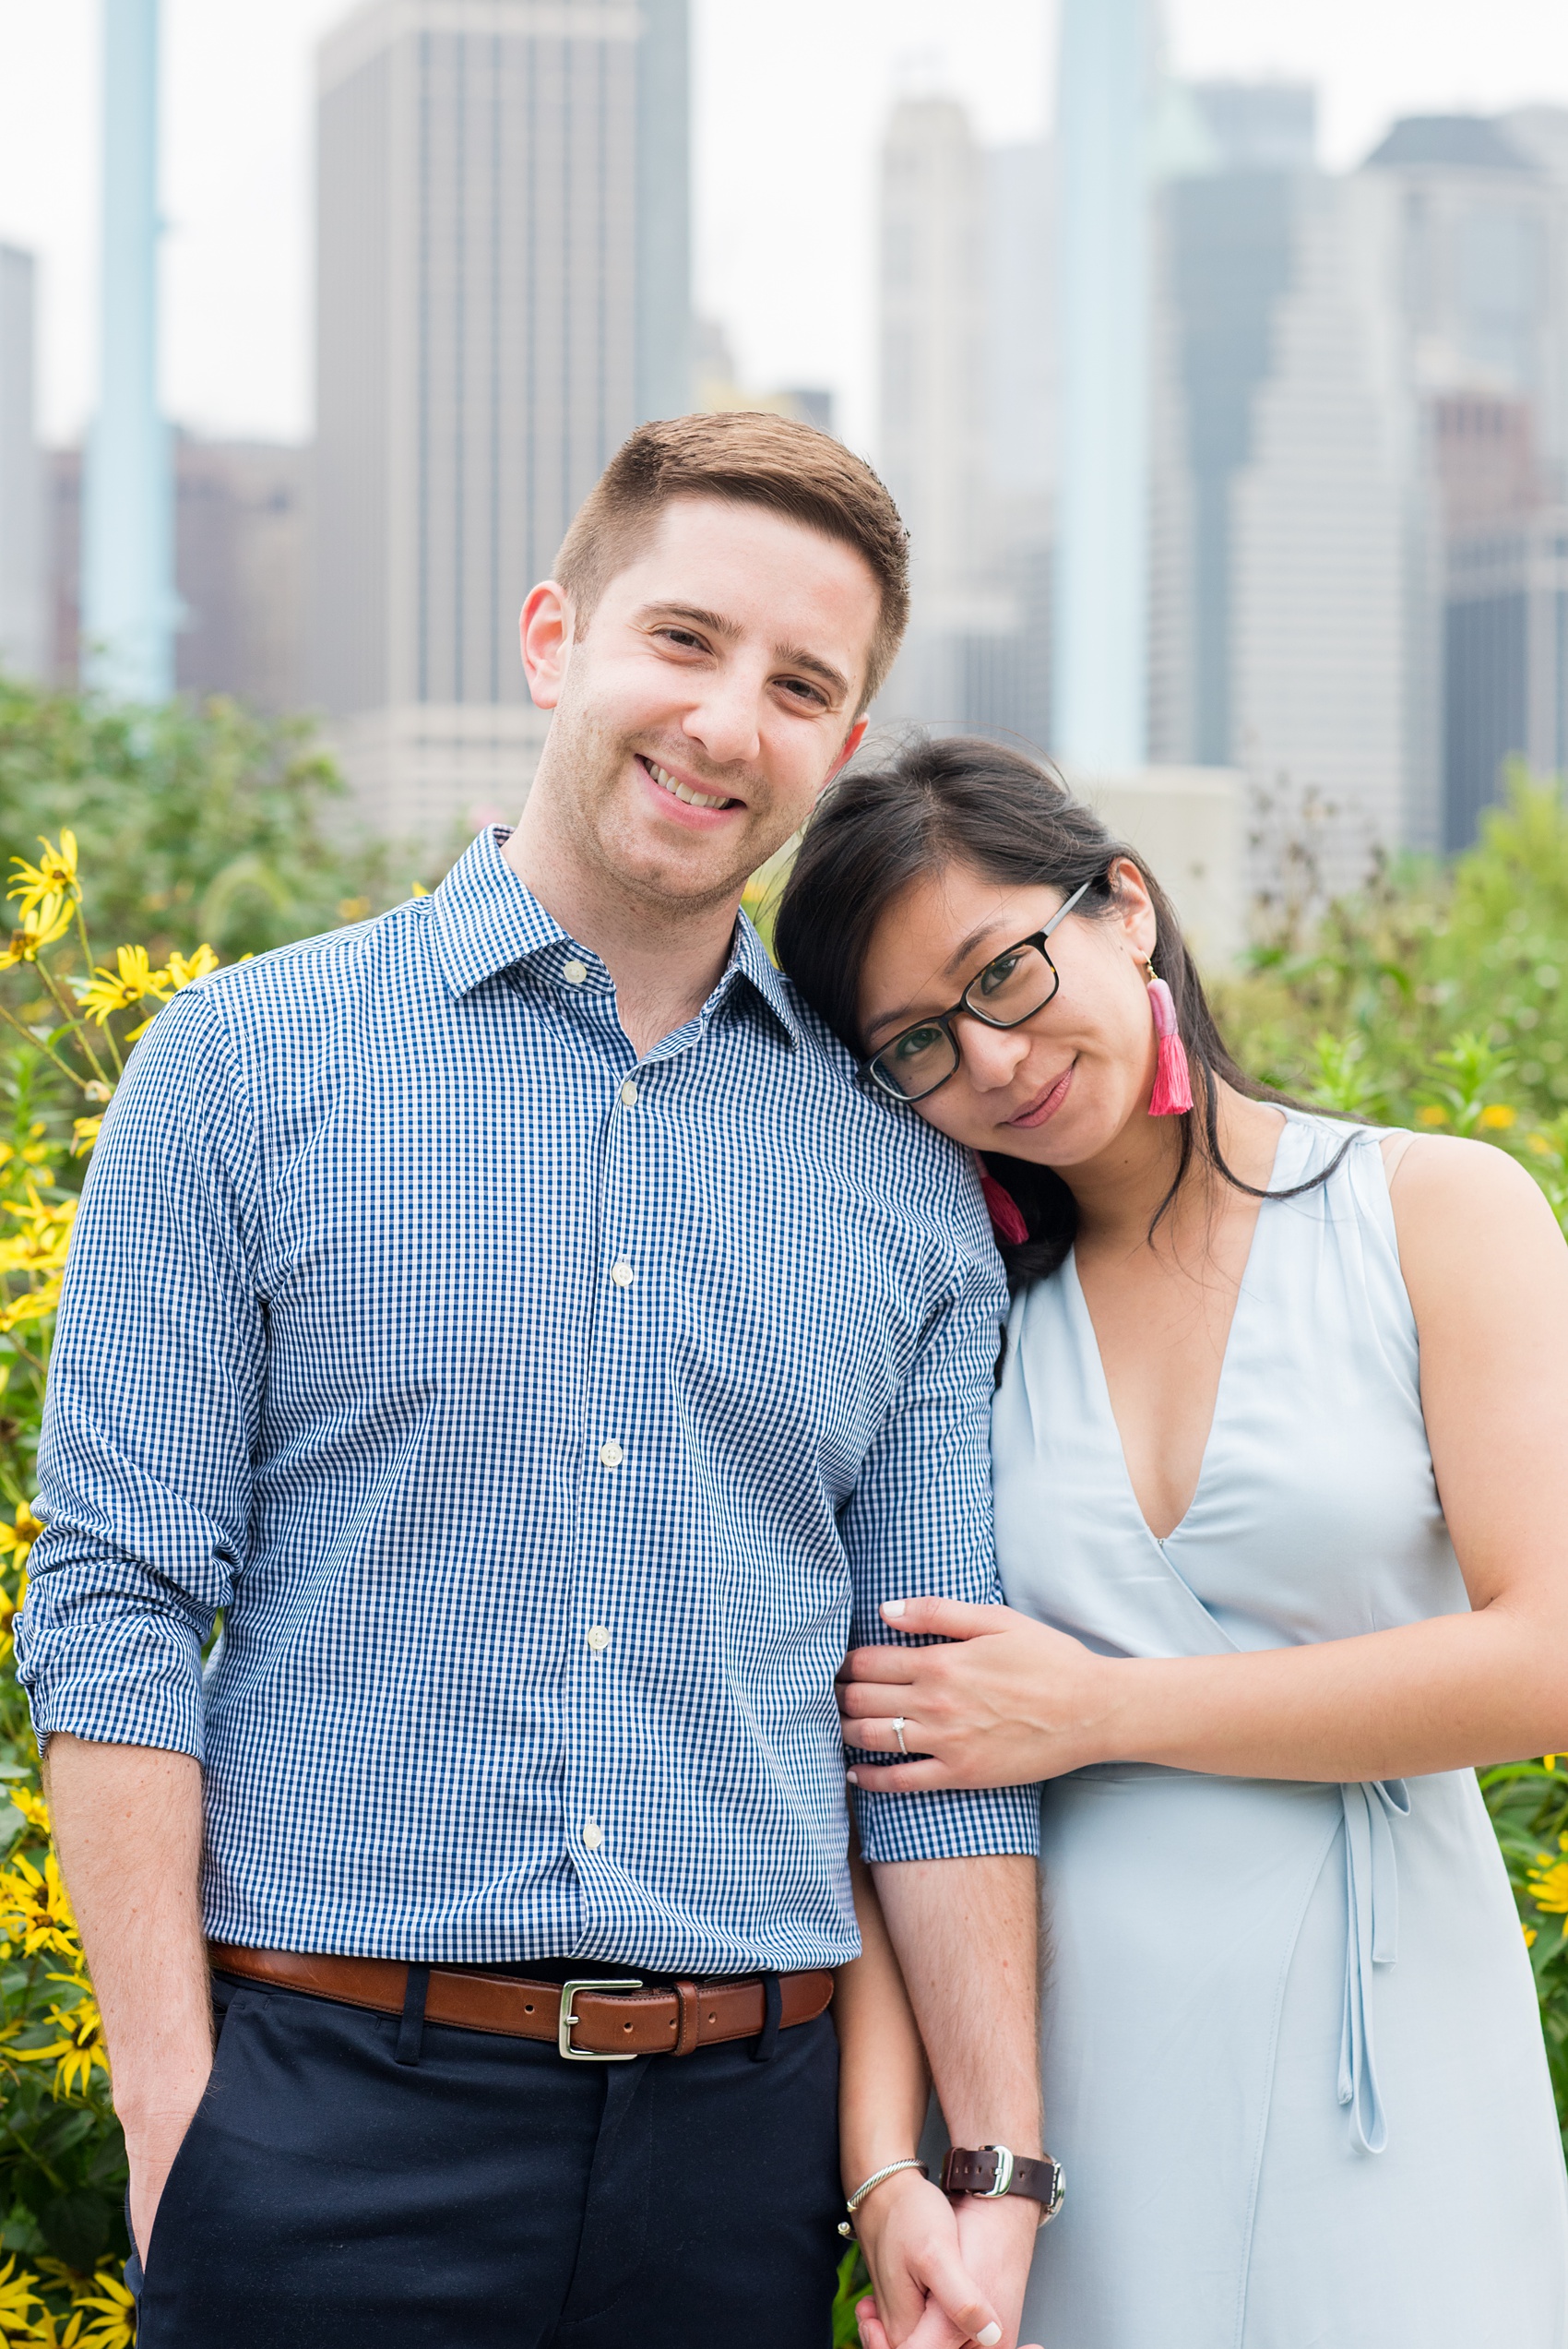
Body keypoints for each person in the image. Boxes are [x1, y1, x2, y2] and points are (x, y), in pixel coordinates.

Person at [18, 421, 1050, 2349]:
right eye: (686, 640)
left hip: (744, 2157)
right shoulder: (241, 1071)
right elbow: (112, 1608)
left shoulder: (908, 1189)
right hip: (323, 2117)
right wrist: (176, 2121)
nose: (730, 722)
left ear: (839, 744)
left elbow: (925, 1724)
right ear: (554, 637)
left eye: (801, 685)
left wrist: (976, 2173)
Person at [775, 733, 1568, 2349]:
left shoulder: (1435, 1211)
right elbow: (879, 1767)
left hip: (1391, 2061)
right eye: (916, 1043)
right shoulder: (955, 1320)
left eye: (1005, 969)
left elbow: (1551, 1657)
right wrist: (889, 2171)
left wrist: (1103, 1711)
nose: (989, 1058)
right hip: (1061, 2109)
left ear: (1123, 906)